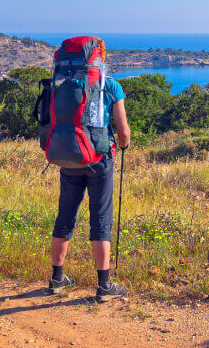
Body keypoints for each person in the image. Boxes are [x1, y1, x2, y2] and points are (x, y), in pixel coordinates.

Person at [47, 75, 131, 302]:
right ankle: (104, 285)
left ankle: (56, 280)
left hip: (70, 156)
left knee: (64, 216)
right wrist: (124, 144)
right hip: (98, 159)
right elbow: (122, 131)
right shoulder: (110, 84)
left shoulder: (62, 83)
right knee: (101, 217)